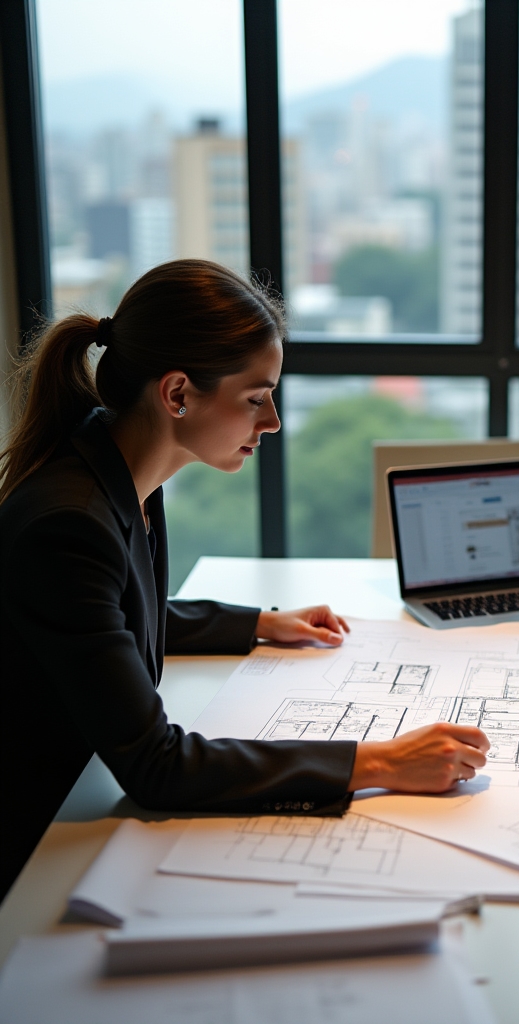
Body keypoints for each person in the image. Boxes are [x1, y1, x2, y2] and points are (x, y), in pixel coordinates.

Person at [0, 259, 489, 899]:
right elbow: (157, 767)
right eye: (256, 398)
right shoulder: (69, 523)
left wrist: (258, 623)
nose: (274, 422)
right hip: (37, 856)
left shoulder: (114, 468)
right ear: (177, 394)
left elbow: (113, 617)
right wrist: (380, 761)